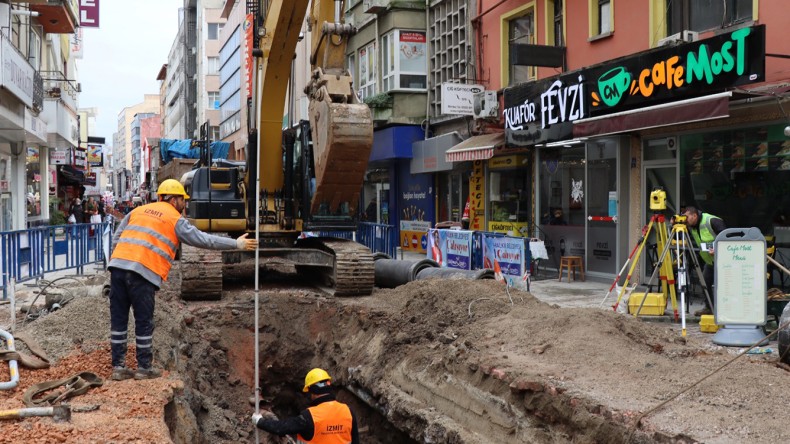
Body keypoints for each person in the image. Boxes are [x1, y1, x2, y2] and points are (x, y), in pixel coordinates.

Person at [108, 179, 258, 381]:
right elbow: (203, 240)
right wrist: (236, 244)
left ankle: (118, 367)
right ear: (174, 199)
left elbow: (117, 238)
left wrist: (112, 268)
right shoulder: (174, 218)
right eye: (182, 199)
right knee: (144, 322)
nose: (184, 205)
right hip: (142, 272)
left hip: (118, 268)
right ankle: (143, 368)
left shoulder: (137, 211)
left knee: (119, 320)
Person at [252, 368, 360, 443]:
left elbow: (281, 427)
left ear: (312, 391)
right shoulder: (348, 411)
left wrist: (260, 421)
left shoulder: (310, 416)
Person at [682, 206, 726, 316]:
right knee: (705, 282)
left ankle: (725, 310)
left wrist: (717, 248)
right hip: (709, 261)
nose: (685, 220)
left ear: (694, 215)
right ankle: (709, 307)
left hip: (723, 261)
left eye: (687, 217)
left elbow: (727, 237)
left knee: (723, 285)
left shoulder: (711, 221)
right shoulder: (692, 226)